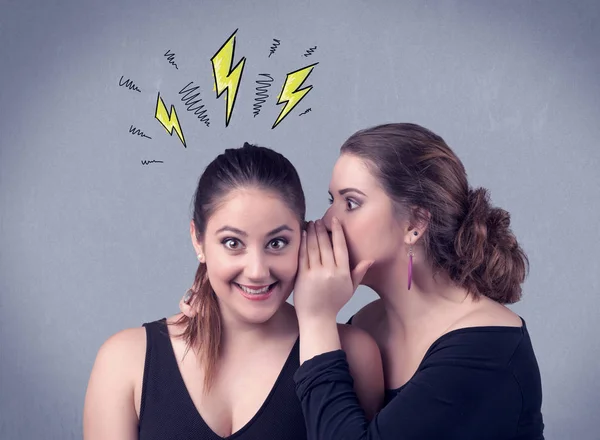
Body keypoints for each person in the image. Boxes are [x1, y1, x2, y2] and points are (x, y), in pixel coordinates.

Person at [83, 143, 384, 440]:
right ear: (198, 241)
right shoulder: (124, 361)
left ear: (304, 242)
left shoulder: (355, 354)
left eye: (276, 243)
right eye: (232, 243)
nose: (257, 270)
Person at [292, 123, 545, 439]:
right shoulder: (367, 323)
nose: (328, 221)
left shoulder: (486, 349)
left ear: (415, 223)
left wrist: (316, 319)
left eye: (351, 203)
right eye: (332, 200)